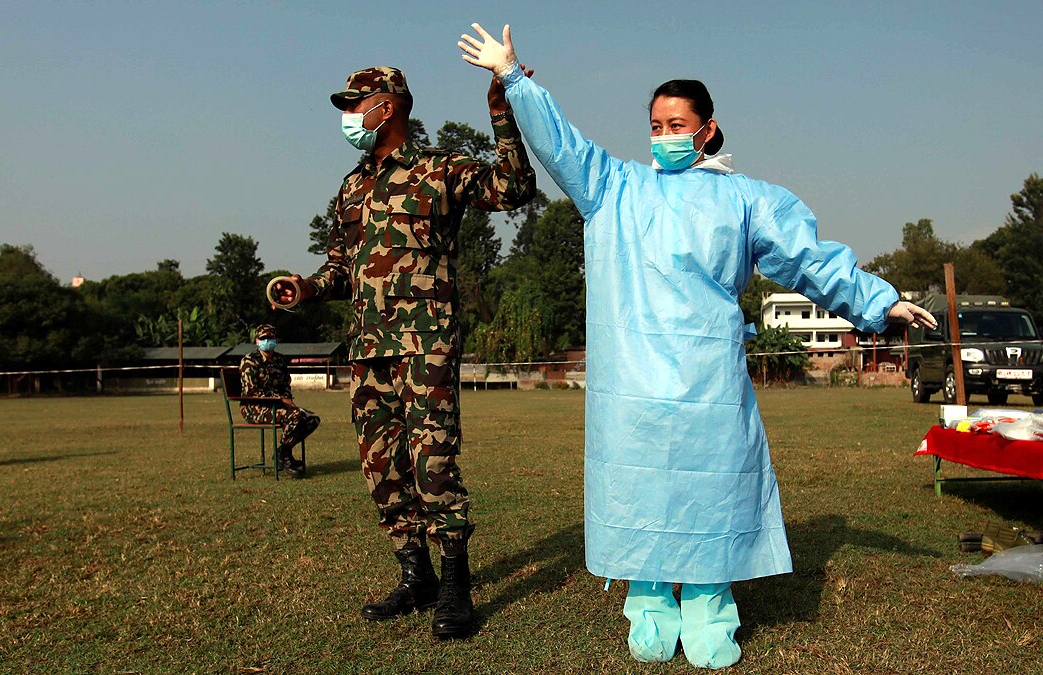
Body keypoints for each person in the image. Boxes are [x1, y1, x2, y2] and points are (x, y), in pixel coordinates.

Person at [459, 24, 936, 669]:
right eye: (654, 125)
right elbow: (560, 146)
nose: (663, 136)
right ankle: (649, 606)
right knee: (640, 495)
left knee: (711, 494)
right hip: (630, 386)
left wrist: (879, 300)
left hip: (708, 380)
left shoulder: (744, 201)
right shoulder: (613, 188)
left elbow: (808, 259)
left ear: (708, 129)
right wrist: (515, 78)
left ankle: (710, 610)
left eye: (676, 124)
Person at [270, 66, 536, 639]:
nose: (346, 115)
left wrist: (501, 111)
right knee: (381, 469)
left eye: (354, 103)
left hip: (426, 346)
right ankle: (414, 575)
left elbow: (513, 189)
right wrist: (310, 286)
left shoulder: (439, 168)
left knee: (432, 462)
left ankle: (454, 584)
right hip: (369, 351)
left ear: (386, 106)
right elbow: (342, 265)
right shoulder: (351, 186)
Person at [238, 324, 320, 479]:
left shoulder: (280, 360)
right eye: (263, 338)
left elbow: (285, 385)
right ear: (257, 341)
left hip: (278, 407)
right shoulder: (249, 361)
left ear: (275, 340)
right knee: (295, 416)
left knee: (311, 419)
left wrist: (287, 398)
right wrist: (279, 399)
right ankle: (285, 457)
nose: (267, 341)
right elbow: (251, 392)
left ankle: (283, 452)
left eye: (270, 338)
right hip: (254, 408)